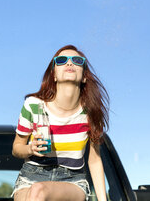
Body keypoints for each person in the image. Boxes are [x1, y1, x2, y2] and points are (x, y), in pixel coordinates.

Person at [12, 45, 109, 201]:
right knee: (36, 191)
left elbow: (95, 159)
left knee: (38, 191)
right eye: (62, 60)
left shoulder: (90, 113)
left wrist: (103, 199)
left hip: (72, 180)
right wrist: (30, 148)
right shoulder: (34, 105)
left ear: (84, 76)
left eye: (77, 61)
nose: (69, 63)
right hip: (31, 177)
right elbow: (16, 148)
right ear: (54, 75)